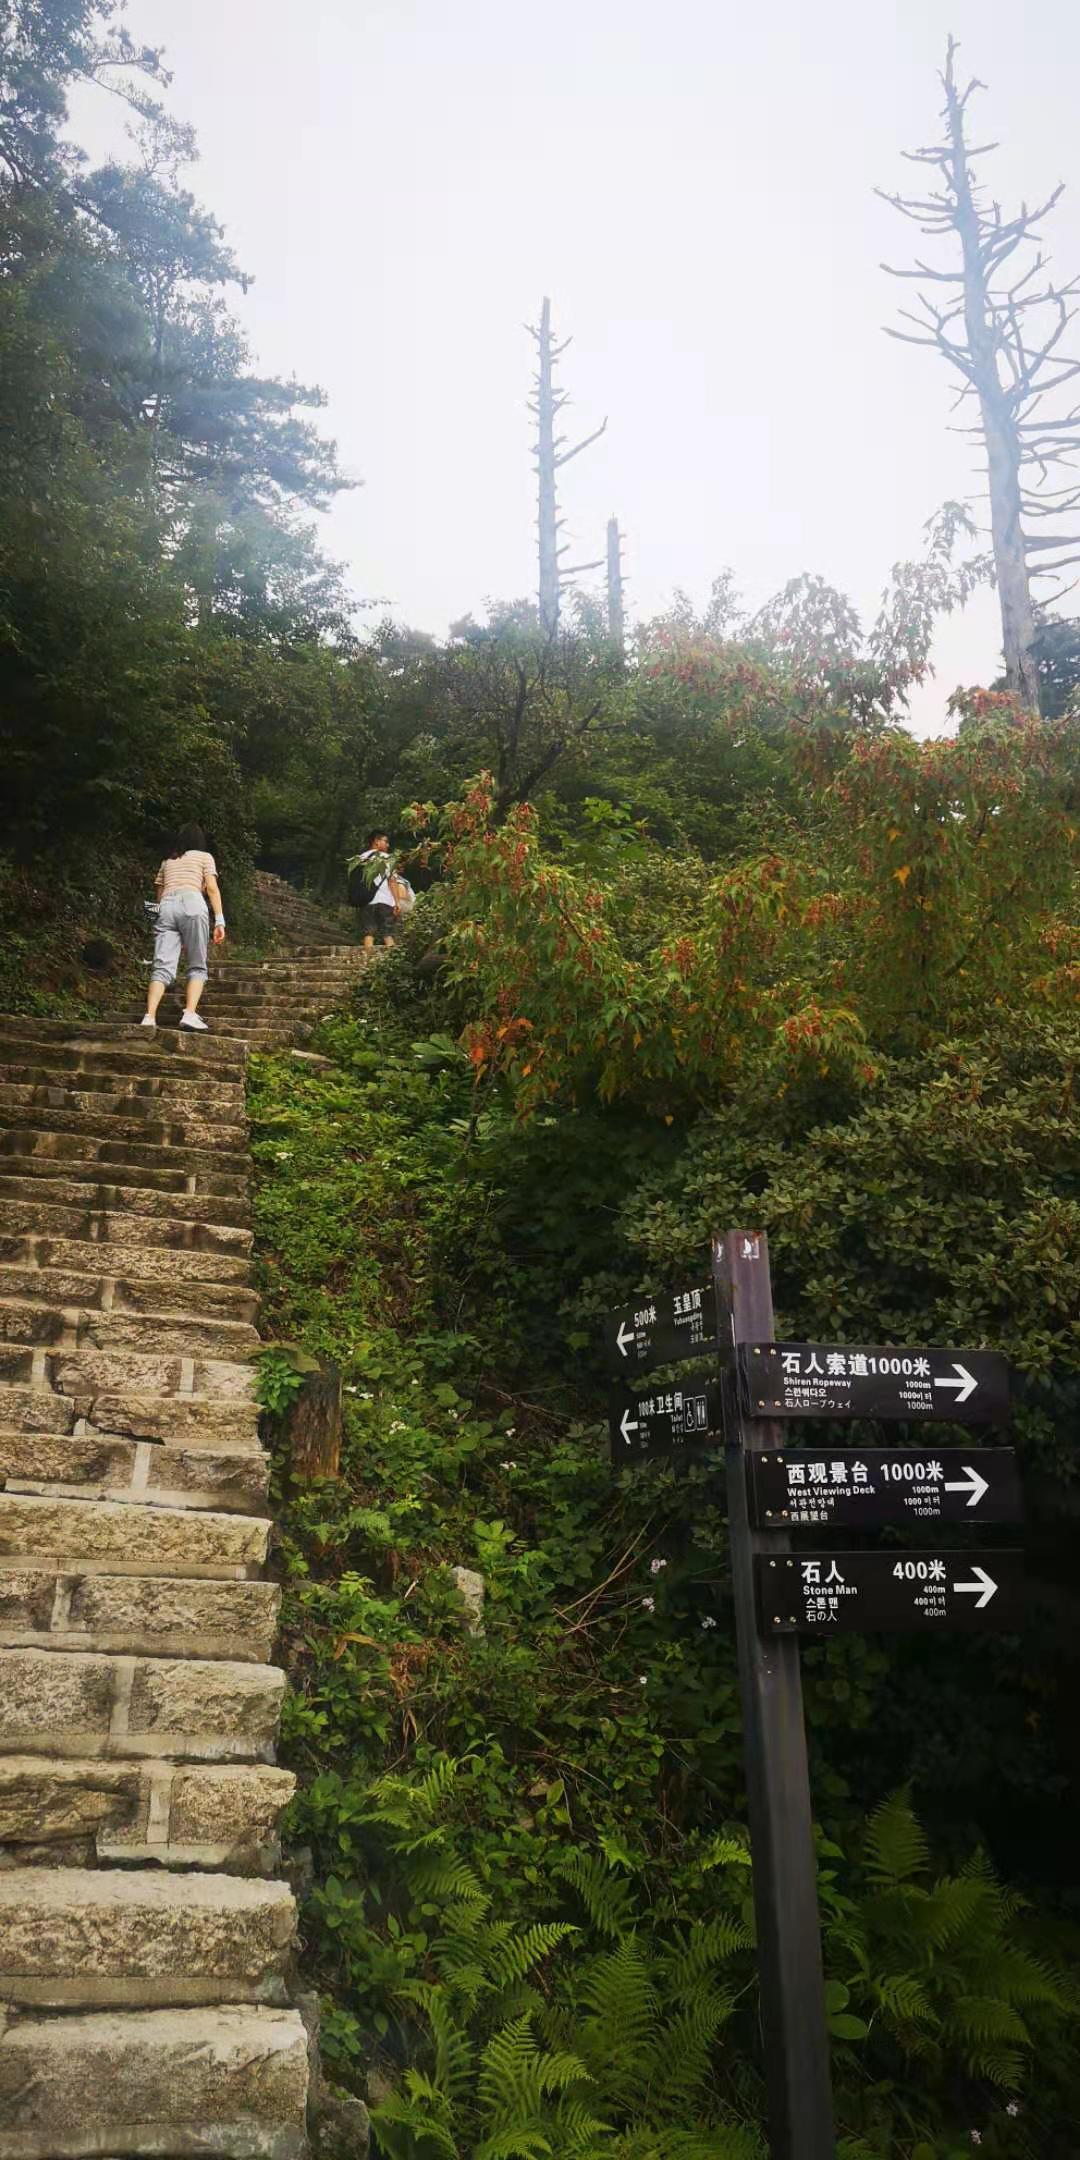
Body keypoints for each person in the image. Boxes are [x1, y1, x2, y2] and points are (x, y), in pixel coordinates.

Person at [140, 823, 226, 1031]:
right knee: (197, 965)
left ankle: (149, 1017)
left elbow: (159, 895)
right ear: (200, 840)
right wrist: (219, 920)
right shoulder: (205, 857)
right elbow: (212, 888)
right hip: (192, 903)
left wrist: (159, 921)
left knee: (162, 966)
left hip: (166, 906)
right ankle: (189, 1014)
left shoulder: (167, 861)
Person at [353, 830, 403, 951]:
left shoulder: (360, 858)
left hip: (365, 901)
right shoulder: (387, 858)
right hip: (384, 900)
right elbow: (392, 881)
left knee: (369, 933)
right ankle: (391, 959)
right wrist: (397, 902)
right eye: (385, 841)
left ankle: (367, 960)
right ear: (376, 841)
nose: (388, 845)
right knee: (387, 933)